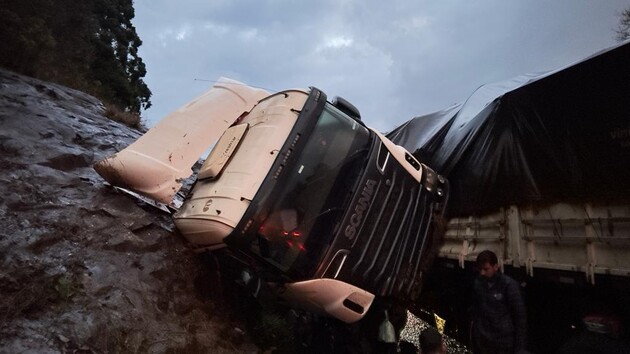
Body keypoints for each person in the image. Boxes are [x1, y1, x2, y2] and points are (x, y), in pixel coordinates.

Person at [472, 250, 527, 354]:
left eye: (486, 269)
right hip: (485, 342)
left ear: (495, 267)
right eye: (480, 269)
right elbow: (477, 310)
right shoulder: (479, 283)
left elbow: (520, 318)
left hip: (503, 343)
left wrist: (519, 348)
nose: (482, 273)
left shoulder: (509, 286)